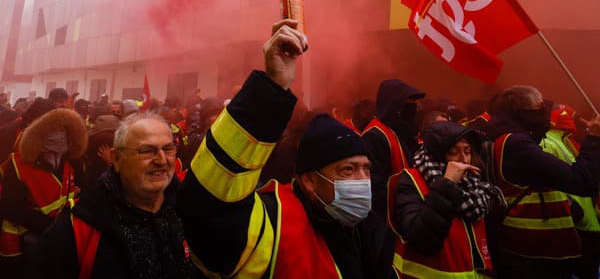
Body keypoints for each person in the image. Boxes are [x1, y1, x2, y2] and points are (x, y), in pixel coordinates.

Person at [176, 19, 396, 278]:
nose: (362, 182)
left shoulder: (371, 230)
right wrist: (270, 88)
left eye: (366, 169)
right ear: (310, 181)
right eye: (348, 170)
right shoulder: (273, 225)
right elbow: (207, 209)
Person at [32, 112, 196, 279]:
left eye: (168, 149)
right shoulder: (81, 223)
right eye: (147, 151)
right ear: (117, 159)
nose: (161, 160)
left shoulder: (189, 208)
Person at [485, 86, 600, 278]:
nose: (544, 113)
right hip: (534, 251)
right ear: (521, 113)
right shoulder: (517, 145)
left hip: (528, 247)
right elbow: (580, 181)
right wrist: (595, 139)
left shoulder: (503, 138)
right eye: (538, 108)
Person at [389, 121, 504, 278]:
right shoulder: (412, 181)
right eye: (453, 152)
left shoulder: (474, 185)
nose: (463, 159)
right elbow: (422, 240)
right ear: (436, 155)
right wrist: (447, 185)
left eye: (467, 151)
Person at [0, 108, 87, 277]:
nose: (56, 155)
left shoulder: (74, 162)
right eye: (51, 147)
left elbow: (82, 194)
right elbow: (10, 207)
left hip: (59, 239)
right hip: (22, 240)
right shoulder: (18, 164)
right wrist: (52, 227)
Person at [540, 104, 600, 279]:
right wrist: (574, 209)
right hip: (577, 224)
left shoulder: (567, 140)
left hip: (590, 219)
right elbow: (554, 182)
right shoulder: (547, 143)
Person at [362, 79, 425, 218]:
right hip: (389, 217)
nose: (413, 106)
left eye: (415, 101)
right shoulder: (374, 135)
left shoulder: (402, 130)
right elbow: (375, 186)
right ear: (393, 105)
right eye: (409, 101)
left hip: (409, 211)